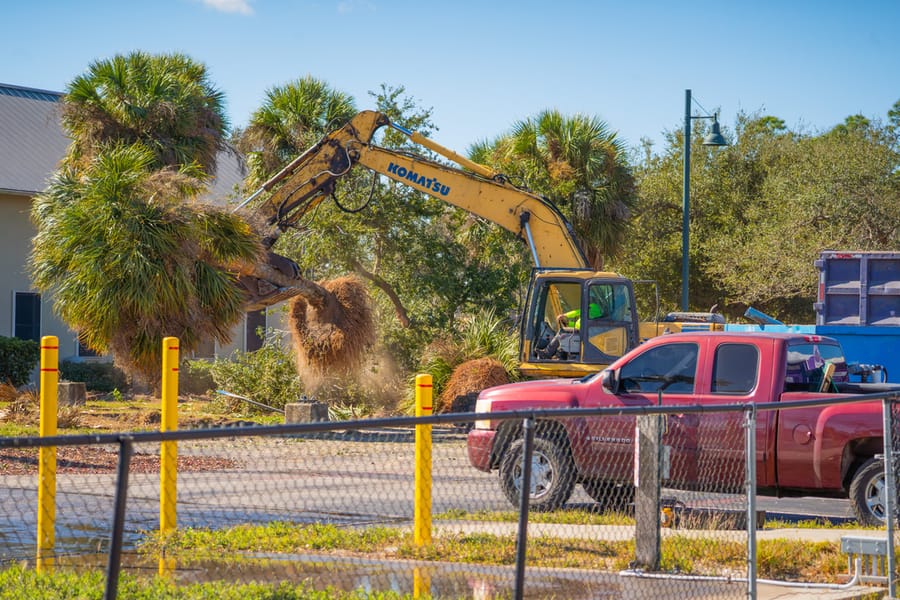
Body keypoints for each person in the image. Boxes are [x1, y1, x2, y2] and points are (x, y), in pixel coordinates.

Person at [538, 303, 604, 359]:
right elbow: (579, 323)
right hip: (582, 330)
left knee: (562, 331)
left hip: (583, 332)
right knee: (563, 336)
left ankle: (547, 353)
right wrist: (568, 324)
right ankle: (560, 355)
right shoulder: (591, 312)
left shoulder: (594, 307)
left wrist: (564, 315)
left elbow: (578, 312)